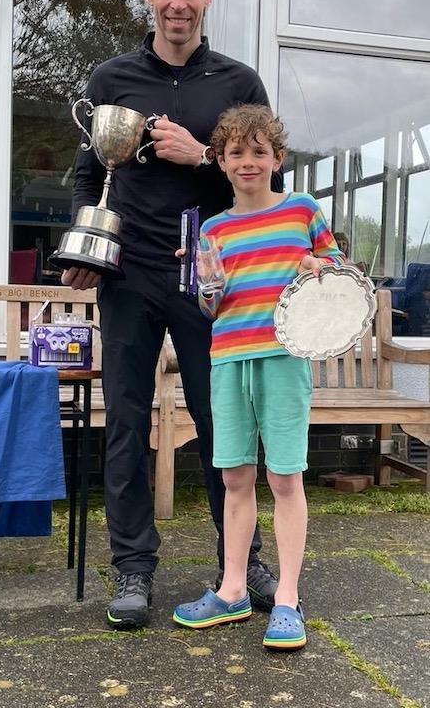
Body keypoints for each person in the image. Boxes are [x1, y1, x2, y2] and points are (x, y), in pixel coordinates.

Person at [62, 0, 282, 630]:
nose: (177, 3)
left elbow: (266, 183)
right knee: (125, 423)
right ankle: (132, 568)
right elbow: (87, 176)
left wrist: (202, 158)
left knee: (225, 425)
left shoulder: (239, 83)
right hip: (128, 274)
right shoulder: (110, 79)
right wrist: (83, 244)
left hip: (211, 279)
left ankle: (239, 562)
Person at [173, 104, 344, 650]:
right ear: (220, 162)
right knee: (234, 480)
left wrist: (319, 270)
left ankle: (288, 598)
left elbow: (337, 276)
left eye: (259, 151)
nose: (248, 162)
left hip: (284, 359)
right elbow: (209, 306)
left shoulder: (302, 211)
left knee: (286, 479)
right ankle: (232, 589)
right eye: (236, 153)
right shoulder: (214, 230)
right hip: (227, 360)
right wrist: (207, 285)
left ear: (277, 158)